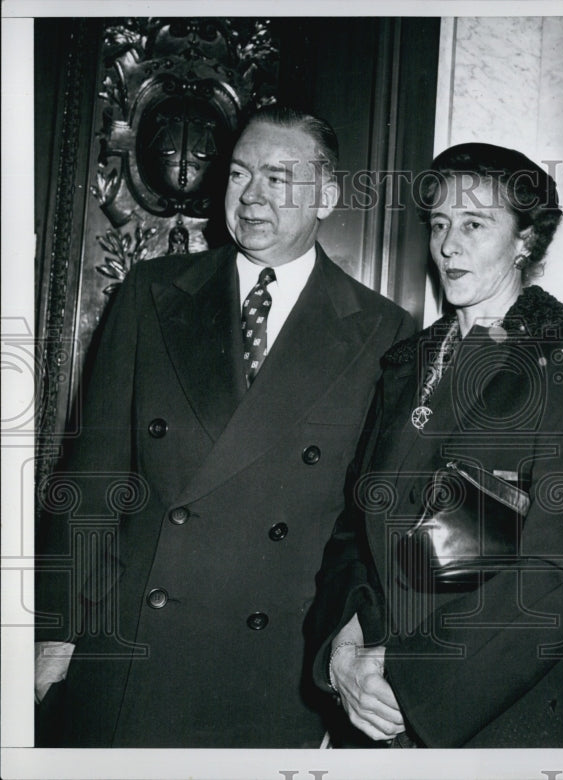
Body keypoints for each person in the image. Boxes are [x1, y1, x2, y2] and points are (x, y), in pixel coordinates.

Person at [34, 106, 414, 747]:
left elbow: (364, 523)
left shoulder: (383, 331)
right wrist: (56, 625)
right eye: (239, 174)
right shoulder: (152, 291)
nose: (253, 196)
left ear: (326, 195)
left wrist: (344, 652)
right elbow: (94, 473)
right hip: (129, 643)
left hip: (269, 672)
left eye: (278, 177)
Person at [306, 143, 563, 747]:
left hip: (500, 716)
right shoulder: (408, 361)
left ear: (525, 240)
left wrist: (412, 679)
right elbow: (354, 528)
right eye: (439, 224)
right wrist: (344, 648)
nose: (448, 244)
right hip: (376, 708)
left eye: (474, 224)